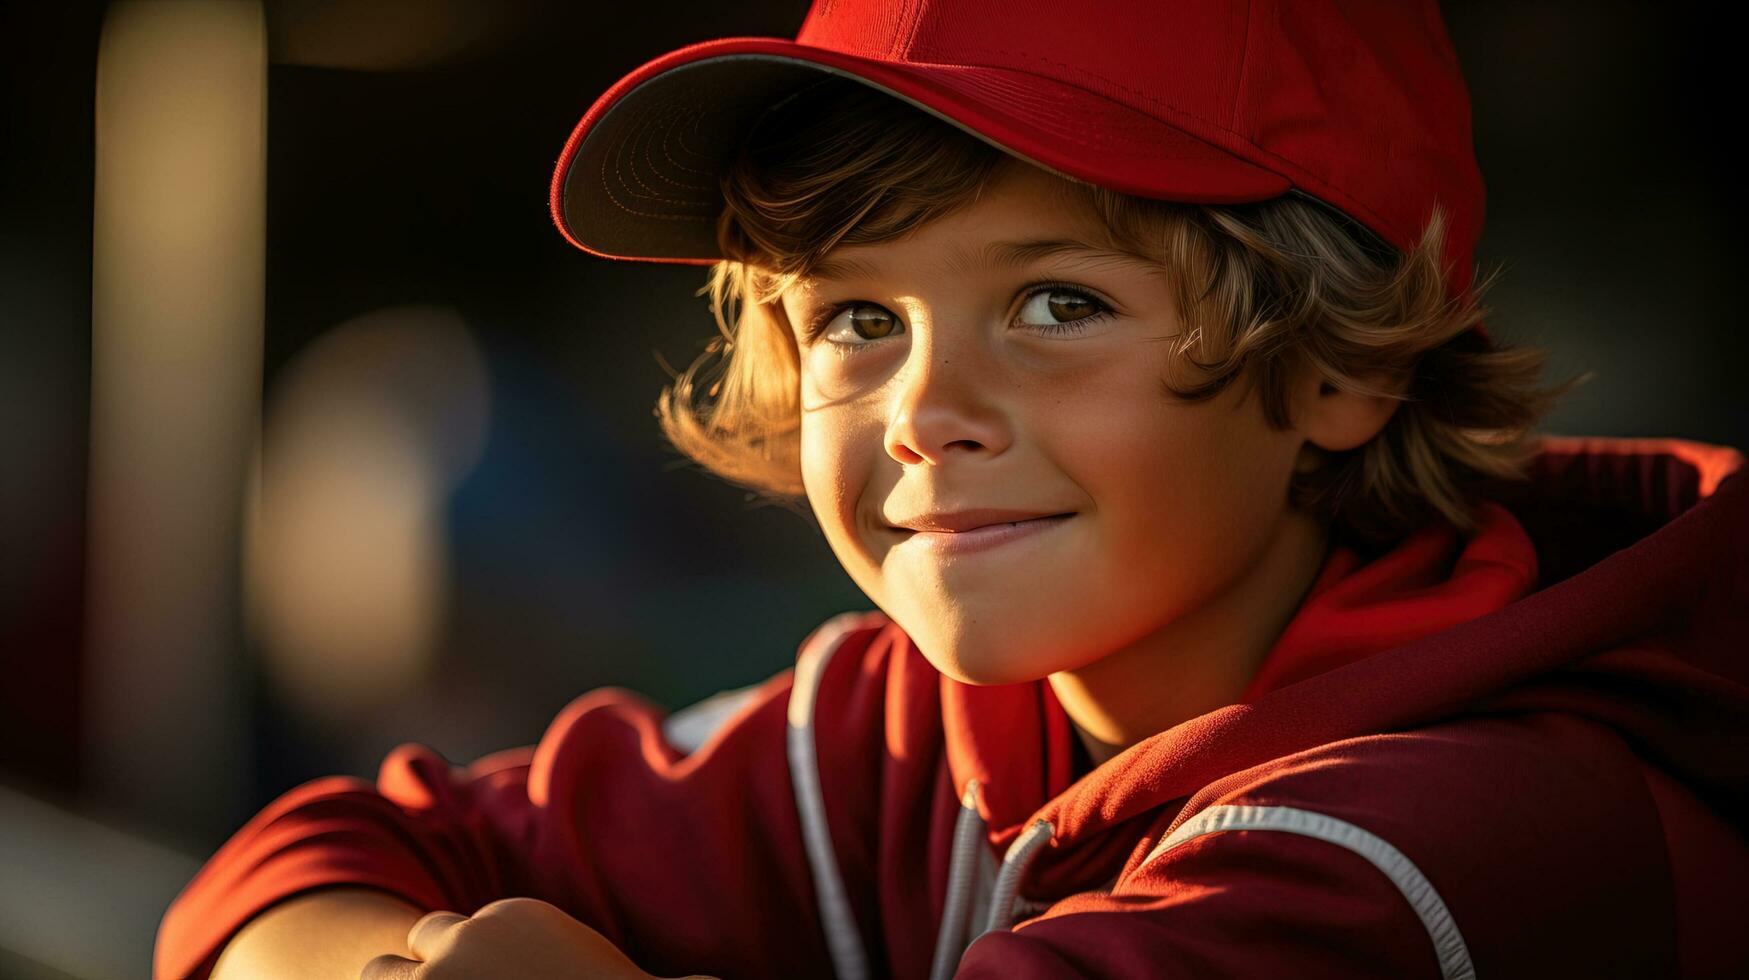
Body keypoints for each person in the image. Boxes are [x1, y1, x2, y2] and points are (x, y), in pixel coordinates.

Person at [155, 0, 1749, 977]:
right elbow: (296, 865)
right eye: (857, 319)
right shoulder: (910, 722)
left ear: (1342, 366)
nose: (922, 409)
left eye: (1057, 304)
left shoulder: (1458, 837)